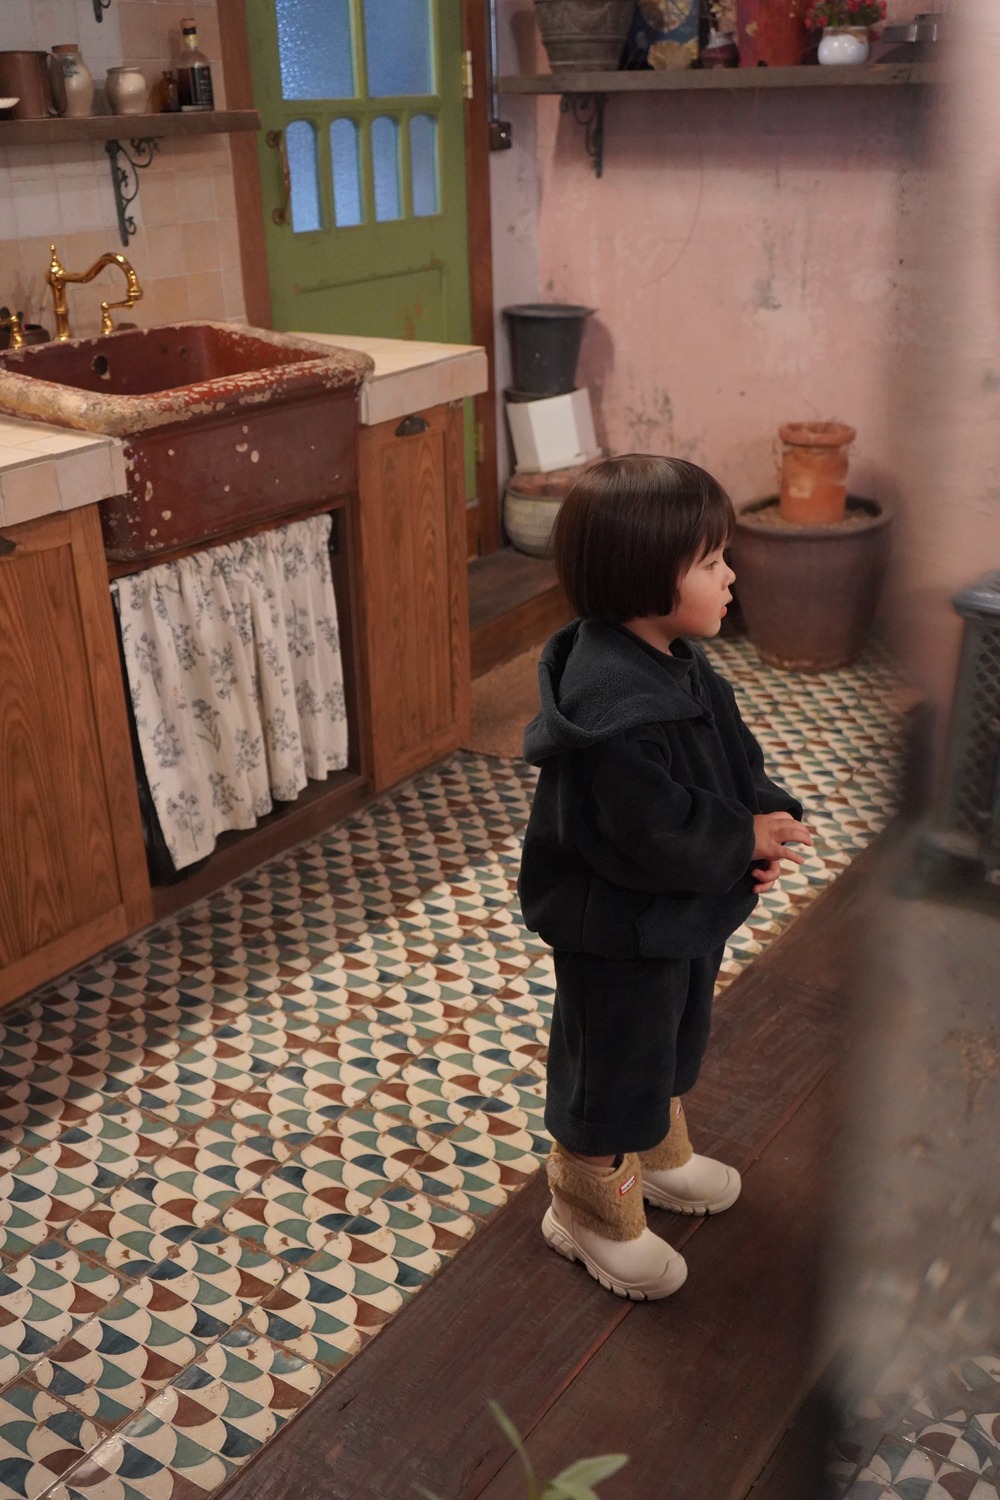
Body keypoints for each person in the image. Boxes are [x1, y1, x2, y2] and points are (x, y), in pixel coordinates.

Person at [518, 454, 812, 1301]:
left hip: (672, 916)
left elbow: (731, 758)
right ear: (645, 577)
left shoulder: (676, 657)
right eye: (712, 562)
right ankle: (587, 1206)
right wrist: (736, 837)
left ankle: (653, 1151)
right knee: (612, 1062)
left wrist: (765, 814)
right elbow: (648, 831)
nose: (731, 576)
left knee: (670, 1036)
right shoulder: (611, 708)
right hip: (615, 928)